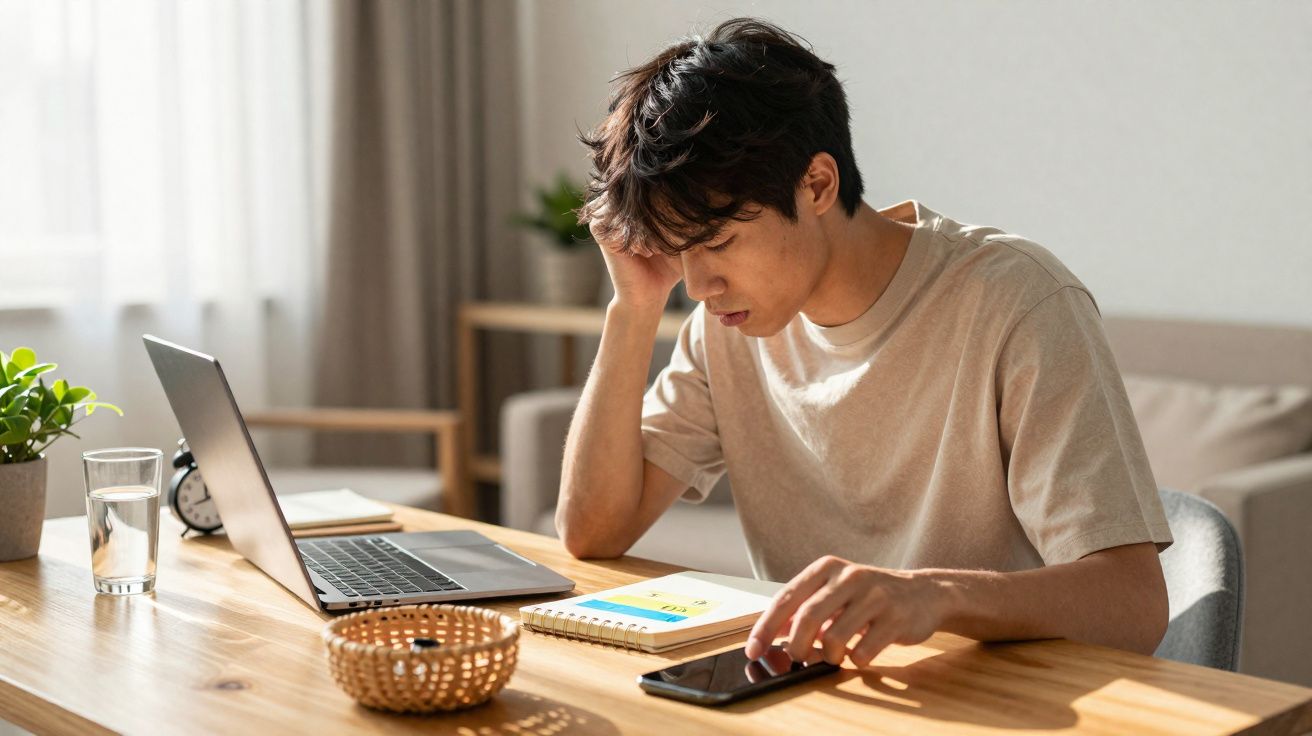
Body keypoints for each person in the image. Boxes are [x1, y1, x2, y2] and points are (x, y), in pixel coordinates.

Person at [557, 17, 1173, 668]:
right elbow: (593, 532)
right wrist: (634, 305)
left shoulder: (1016, 301)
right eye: (678, 252)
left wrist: (935, 597)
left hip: (997, 699)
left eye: (716, 242)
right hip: (812, 698)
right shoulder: (728, 320)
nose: (698, 284)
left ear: (818, 185)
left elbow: (1134, 603)